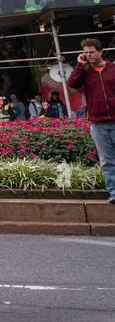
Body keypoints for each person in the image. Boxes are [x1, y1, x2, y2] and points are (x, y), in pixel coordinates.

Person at [67, 38, 115, 204]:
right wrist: (80, 65)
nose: (89, 55)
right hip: (98, 123)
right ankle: (114, 192)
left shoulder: (113, 69)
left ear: (100, 51)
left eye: (92, 52)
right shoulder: (85, 71)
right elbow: (72, 83)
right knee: (107, 161)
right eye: (86, 52)